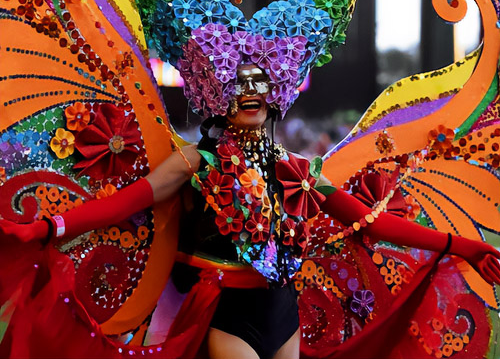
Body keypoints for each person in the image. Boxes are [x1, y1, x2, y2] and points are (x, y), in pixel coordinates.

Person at [2, 63, 500, 359]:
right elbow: (128, 202)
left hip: (284, 312)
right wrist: (51, 225)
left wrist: (466, 246)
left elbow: (375, 221)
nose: (250, 93)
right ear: (220, 98)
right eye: (238, 85)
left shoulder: (298, 169)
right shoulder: (198, 161)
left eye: (259, 84)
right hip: (224, 311)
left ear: (274, 97)